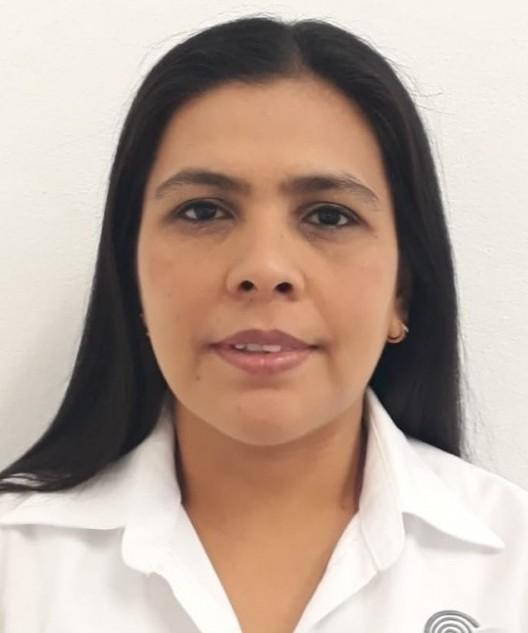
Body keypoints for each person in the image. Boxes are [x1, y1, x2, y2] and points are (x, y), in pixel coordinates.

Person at [0, 14, 526, 633]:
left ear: (401, 295)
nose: (264, 268)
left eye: (328, 217)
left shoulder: (510, 566)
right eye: (203, 211)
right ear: (132, 277)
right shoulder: (17, 564)